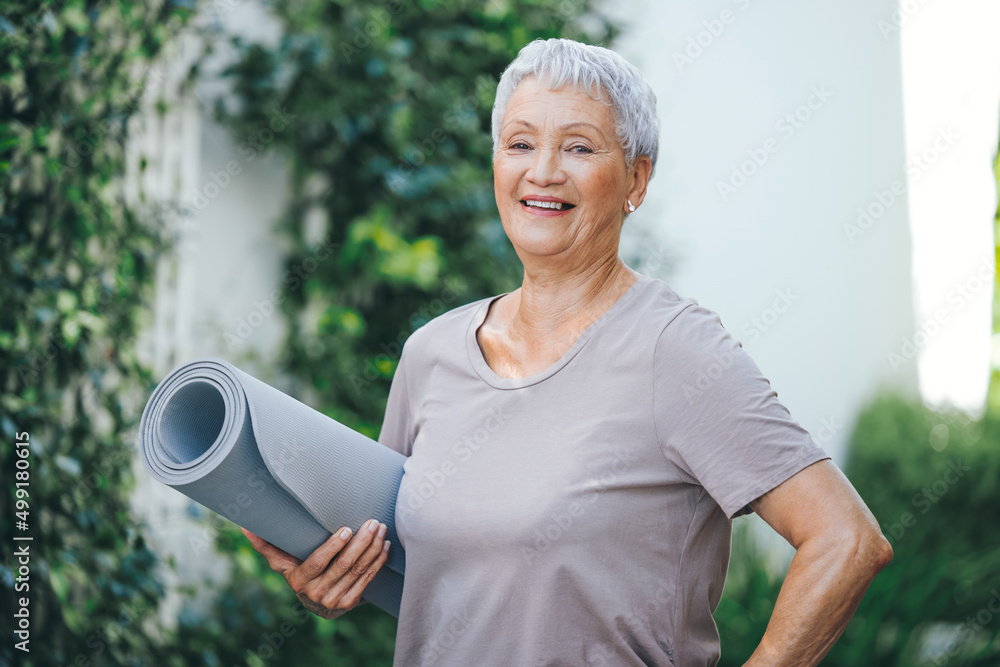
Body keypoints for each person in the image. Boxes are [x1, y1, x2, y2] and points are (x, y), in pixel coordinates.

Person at [242, 37, 893, 666]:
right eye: (520, 143)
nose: (543, 170)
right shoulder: (430, 352)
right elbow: (404, 570)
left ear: (636, 178)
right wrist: (322, 582)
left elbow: (846, 539)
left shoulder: (676, 348)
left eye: (578, 146)